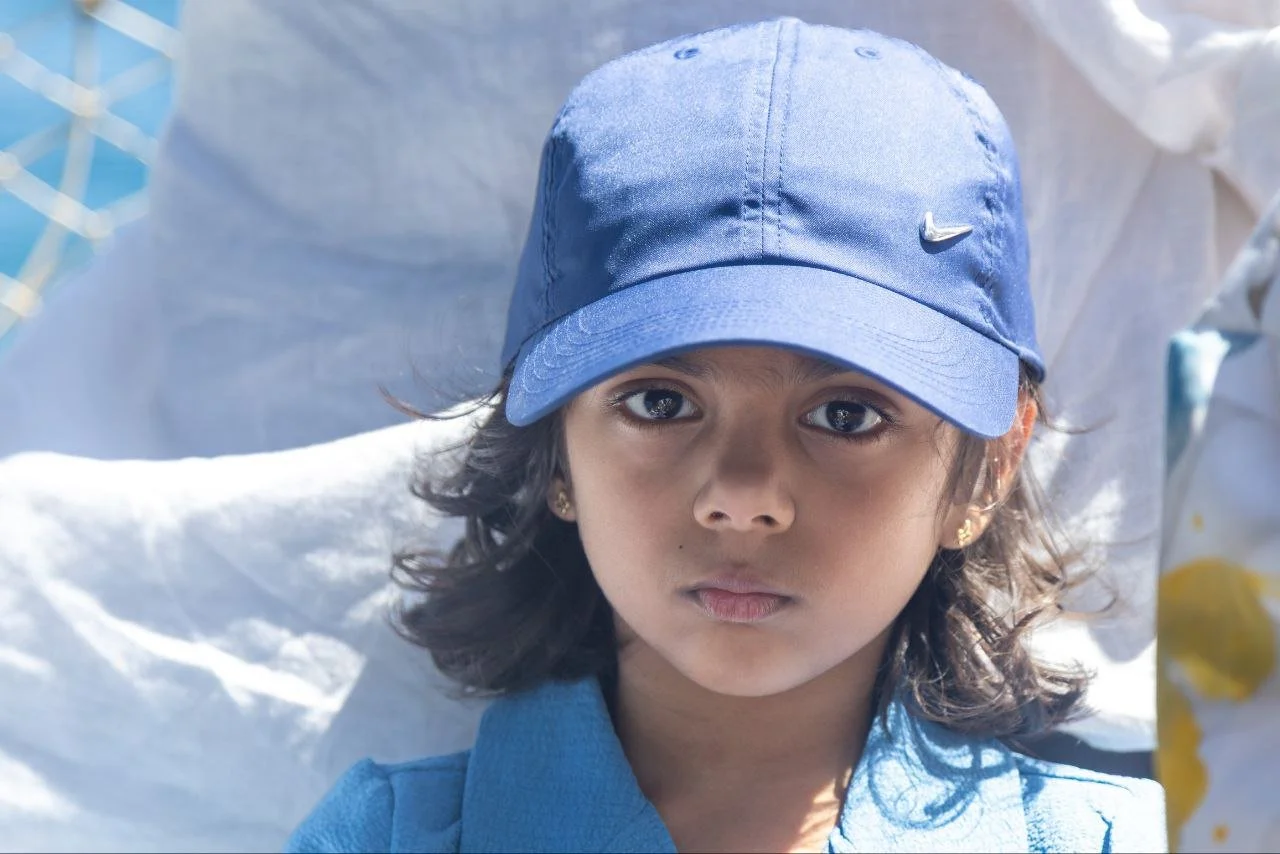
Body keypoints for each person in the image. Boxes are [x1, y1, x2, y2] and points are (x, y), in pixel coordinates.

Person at [285, 18, 1166, 853]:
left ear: (989, 468)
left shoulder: (1118, 840)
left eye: (846, 415)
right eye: (660, 404)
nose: (743, 496)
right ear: (556, 444)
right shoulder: (389, 836)